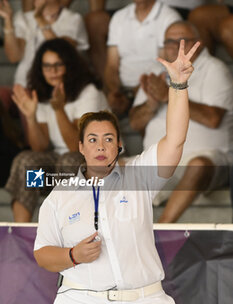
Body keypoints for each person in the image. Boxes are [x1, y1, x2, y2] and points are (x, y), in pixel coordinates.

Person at [33, 39, 200, 304]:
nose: (100, 145)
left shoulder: (140, 176)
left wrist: (178, 85)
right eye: (92, 139)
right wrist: (72, 256)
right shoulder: (60, 195)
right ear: (80, 147)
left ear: (119, 145)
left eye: (108, 138)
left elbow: (175, 140)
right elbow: (42, 253)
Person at [130, 20, 233, 223]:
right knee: (105, 168)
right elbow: (134, 124)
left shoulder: (215, 69)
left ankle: (162, 228)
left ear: (199, 43)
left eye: (184, 41)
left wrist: (169, 94)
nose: (178, 46)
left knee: (199, 165)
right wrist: (151, 104)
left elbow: (213, 119)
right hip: (157, 160)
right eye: (170, 41)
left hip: (204, 160)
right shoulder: (156, 69)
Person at [5, 38, 109, 222]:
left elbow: (78, 147)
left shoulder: (88, 92)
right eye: (46, 66)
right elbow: (40, 148)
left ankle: (72, 228)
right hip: (57, 170)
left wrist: (59, 109)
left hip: (95, 164)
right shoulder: (43, 94)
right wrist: (31, 117)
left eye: (58, 65)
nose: (52, 72)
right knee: (26, 160)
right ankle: (20, 232)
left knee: (68, 161)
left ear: (70, 66)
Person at [104, 0, 181, 156]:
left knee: (150, 110)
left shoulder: (168, 16)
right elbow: (112, 65)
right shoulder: (119, 17)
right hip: (122, 90)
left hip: (152, 86)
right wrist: (115, 92)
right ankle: (114, 161)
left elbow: (161, 65)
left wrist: (131, 95)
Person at [0, 0, 89, 87]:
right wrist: (8, 20)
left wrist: (40, 19)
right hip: (25, 85)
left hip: (60, 85)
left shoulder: (73, 19)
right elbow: (14, 57)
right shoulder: (23, 18)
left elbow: (62, 52)